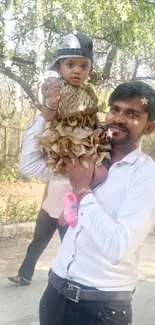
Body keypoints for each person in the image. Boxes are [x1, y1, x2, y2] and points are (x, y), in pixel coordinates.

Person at [19, 80, 155, 325]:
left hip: (102, 309)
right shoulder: (87, 152)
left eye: (132, 114)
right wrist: (47, 111)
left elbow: (118, 247)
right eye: (115, 109)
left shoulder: (147, 176)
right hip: (54, 293)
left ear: (150, 127)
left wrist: (82, 189)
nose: (119, 118)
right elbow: (29, 164)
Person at [7, 114, 70, 286]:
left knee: (69, 247)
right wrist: (43, 203)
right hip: (48, 210)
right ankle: (25, 275)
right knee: (37, 243)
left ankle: (65, 278)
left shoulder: (77, 164)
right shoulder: (55, 163)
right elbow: (49, 184)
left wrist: (70, 213)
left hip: (66, 215)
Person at [37, 31, 110, 178]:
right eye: (70, 65)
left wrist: (100, 127)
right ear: (59, 68)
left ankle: (84, 194)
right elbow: (48, 117)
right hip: (66, 138)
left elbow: (92, 115)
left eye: (84, 66)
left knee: (101, 170)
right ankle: (76, 191)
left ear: (90, 71)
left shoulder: (88, 92)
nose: (77, 71)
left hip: (88, 137)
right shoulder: (57, 87)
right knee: (76, 170)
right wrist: (51, 103)